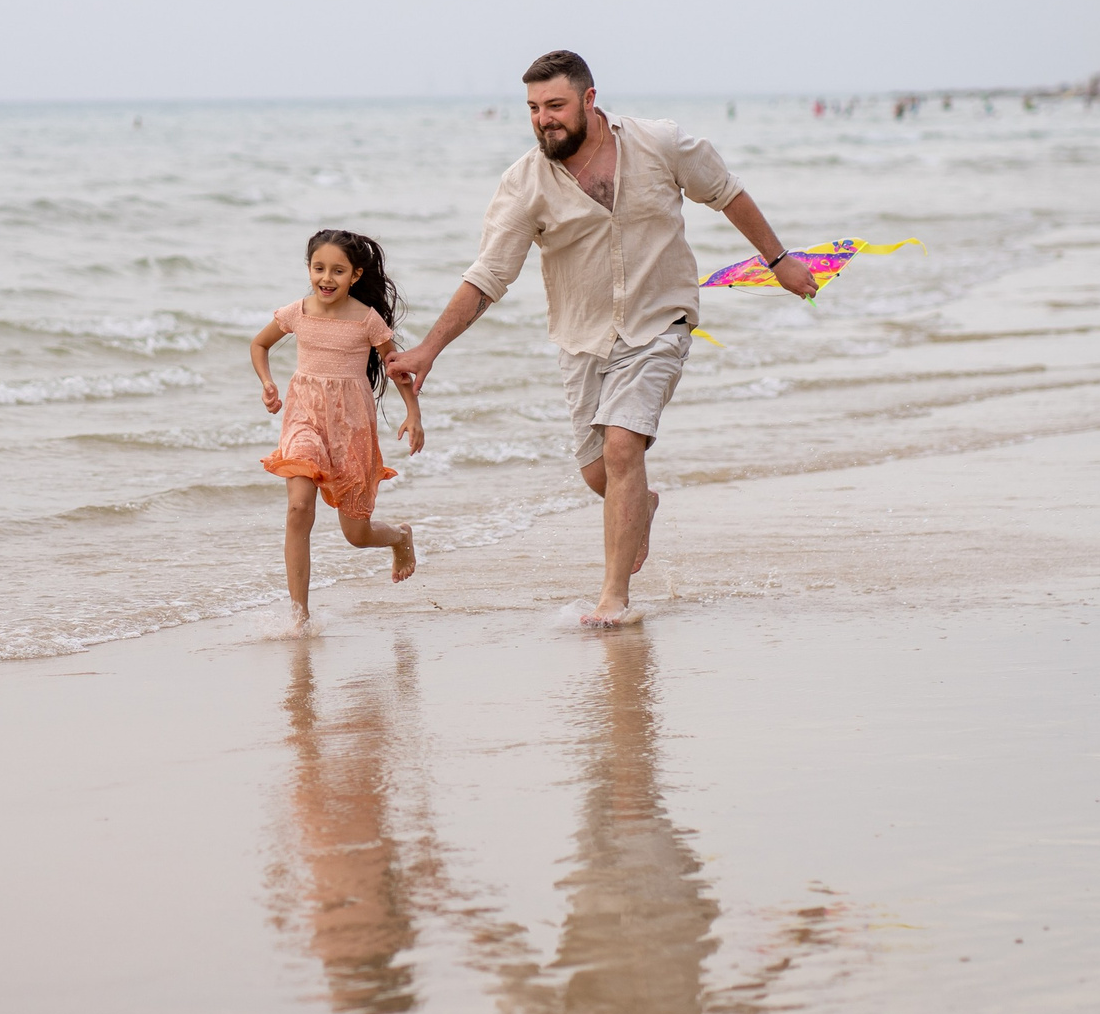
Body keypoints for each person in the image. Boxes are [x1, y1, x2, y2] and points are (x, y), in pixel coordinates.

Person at [387, 51, 817, 628]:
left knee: (621, 447)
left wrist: (779, 260)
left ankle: (613, 599)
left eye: (555, 105)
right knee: (600, 473)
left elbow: (726, 192)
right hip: (582, 338)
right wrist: (428, 349)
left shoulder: (659, 143)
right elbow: (489, 276)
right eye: (533, 108)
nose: (543, 119)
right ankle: (641, 507)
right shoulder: (525, 184)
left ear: (589, 100)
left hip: (660, 320)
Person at [252, 230, 423, 628]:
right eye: (319, 268)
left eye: (337, 271)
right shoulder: (296, 312)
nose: (326, 278)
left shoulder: (367, 320)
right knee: (298, 507)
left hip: (351, 427)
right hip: (304, 419)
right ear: (309, 269)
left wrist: (413, 413)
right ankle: (299, 616)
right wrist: (267, 383)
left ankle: (400, 537)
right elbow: (259, 345)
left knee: (357, 535)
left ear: (355, 275)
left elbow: (396, 369)